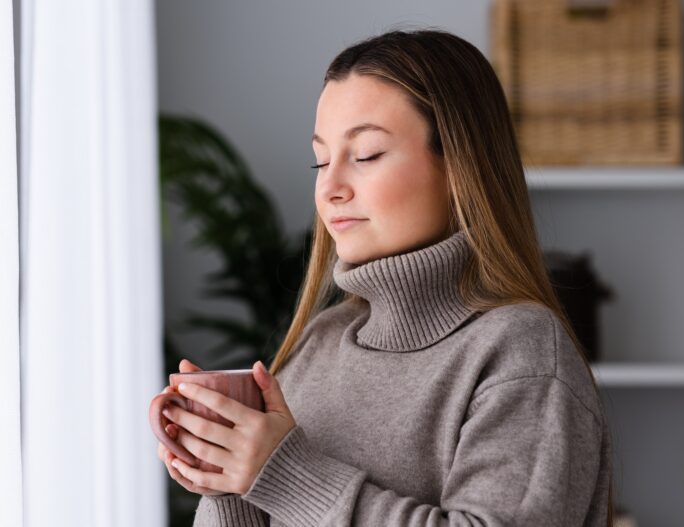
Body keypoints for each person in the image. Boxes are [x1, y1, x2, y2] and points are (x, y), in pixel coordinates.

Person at [156, 28, 613, 526]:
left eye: (366, 154)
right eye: (321, 159)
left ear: (460, 166)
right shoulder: (319, 345)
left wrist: (283, 473)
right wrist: (227, 482)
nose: (329, 187)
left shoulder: (520, 352)